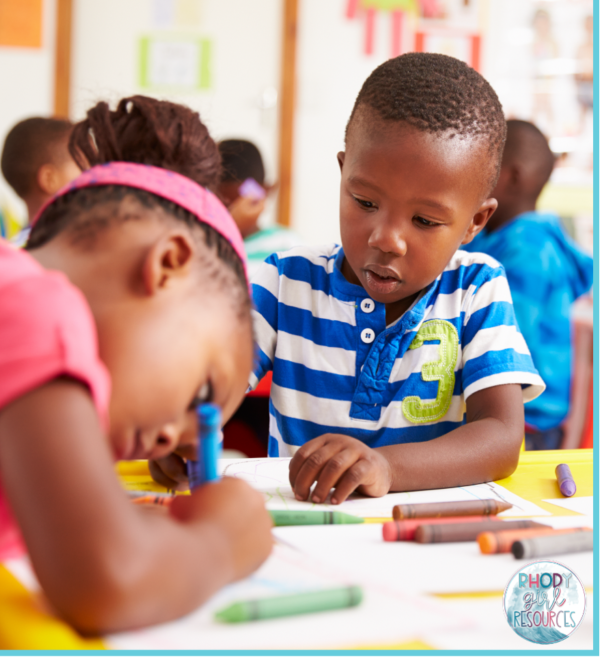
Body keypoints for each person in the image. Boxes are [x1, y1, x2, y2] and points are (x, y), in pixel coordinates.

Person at [0, 96, 272, 648]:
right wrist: (223, 542)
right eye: (200, 395)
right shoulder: (35, 312)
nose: (169, 441)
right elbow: (109, 581)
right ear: (167, 265)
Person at [151, 53, 544, 504]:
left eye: (424, 220)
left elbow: (501, 437)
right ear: (343, 174)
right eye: (365, 201)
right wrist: (181, 426)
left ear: (475, 222)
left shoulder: (476, 288)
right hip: (303, 533)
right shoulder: (285, 281)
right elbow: (210, 382)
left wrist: (386, 467)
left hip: (429, 539)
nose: (386, 239)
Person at [464, 120, 593, 450]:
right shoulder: (496, 238)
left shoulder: (528, 250)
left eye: (481, 164)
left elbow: (504, 335)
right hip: (509, 409)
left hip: (525, 416)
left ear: (512, 176)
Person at [216, 139, 302, 281]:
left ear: (266, 191)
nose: (230, 212)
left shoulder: (288, 245)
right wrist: (230, 228)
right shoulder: (201, 243)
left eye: (235, 203)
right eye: (221, 203)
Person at [0, 117, 82, 245]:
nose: (95, 175)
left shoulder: (13, 249)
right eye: (84, 167)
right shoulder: (71, 248)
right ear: (49, 179)